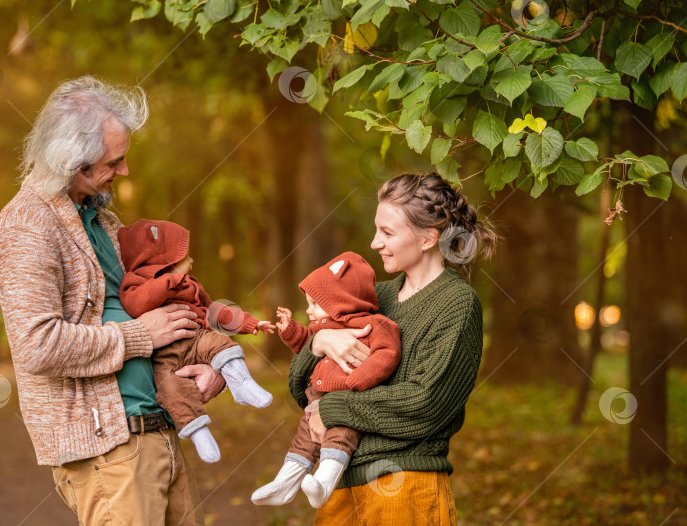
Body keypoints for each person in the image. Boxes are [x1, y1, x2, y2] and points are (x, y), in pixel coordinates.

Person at [0, 76, 222, 526]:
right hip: (109, 450)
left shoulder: (99, 219)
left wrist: (204, 362)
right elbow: (38, 345)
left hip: (158, 433)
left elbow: (150, 300)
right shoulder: (27, 224)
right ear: (74, 163)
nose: (125, 170)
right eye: (114, 161)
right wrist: (140, 337)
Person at [287, 173, 496, 525]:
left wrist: (335, 407)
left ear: (428, 238)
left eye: (387, 232)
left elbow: (424, 405)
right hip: (338, 483)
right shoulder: (371, 298)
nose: (374, 243)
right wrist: (319, 342)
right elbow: (301, 386)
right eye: (376, 230)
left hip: (406, 487)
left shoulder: (457, 304)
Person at [116, 218, 275, 463]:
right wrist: (168, 281)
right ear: (165, 261)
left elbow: (214, 310)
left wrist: (248, 323)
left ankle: (242, 384)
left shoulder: (191, 284)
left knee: (221, 343)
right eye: (185, 257)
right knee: (171, 389)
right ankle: (199, 433)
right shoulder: (137, 282)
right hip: (164, 357)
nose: (192, 261)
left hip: (197, 338)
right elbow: (136, 303)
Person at [251, 251, 400, 508]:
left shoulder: (375, 325)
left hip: (347, 400)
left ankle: (323, 483)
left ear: (339, 302)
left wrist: (359, 379)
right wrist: (290, 330)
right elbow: (306, 344)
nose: (308, 310)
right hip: (314, 399)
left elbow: (387, 354)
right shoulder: (323, 328)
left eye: (314, 304)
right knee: (303, 440)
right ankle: (284, 484)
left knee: (339, 438)